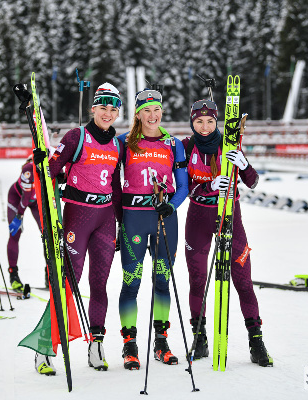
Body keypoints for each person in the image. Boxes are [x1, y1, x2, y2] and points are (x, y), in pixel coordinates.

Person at [32, 82, 123, 374]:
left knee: (99, 284)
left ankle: (96, 343)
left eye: (113, 108)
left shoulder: (118, 144)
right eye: (103, 107)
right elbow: (51, 171)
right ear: (92, 108)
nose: (108, 113)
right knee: (66, 284)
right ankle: (45, 348)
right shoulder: (76, 137)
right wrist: (43, 163)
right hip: (77, 217)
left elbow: (117, 186)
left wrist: (120, 222)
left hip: (105, 218)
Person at [182, 99, 273, 367]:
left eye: (210, 121)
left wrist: (243, 164)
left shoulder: (231, 143)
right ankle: (200, 338)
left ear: (217, 121)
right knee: (198, 281)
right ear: (192, 122)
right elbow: (183, 188)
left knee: (243, 280)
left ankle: (256, 340)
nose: (205, 126)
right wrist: (208, 185)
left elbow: (253, 182)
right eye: (199, 121)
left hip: (230, 216)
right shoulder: (187, 147)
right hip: (198, 216)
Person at [114, 88, 189, 370]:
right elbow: (109, 179)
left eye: (156, 109)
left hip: (164, 219)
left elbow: (183, 186)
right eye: (146, 110)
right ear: (137, 113)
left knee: (162, 281)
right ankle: (130, 344)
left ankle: (161, 341)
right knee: (131, 282)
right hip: (134, 219)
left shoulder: (173, 144)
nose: (152, 115)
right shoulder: (124, 142)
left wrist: (172, 206)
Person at [6, 158, 40, 294]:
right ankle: (13, 274)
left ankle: (49, 273)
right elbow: (25, 198)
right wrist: (19, 216)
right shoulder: (28, 170)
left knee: (47, 234)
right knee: (15, 233)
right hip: (17, 199)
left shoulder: (49, 166)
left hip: (35, 201)